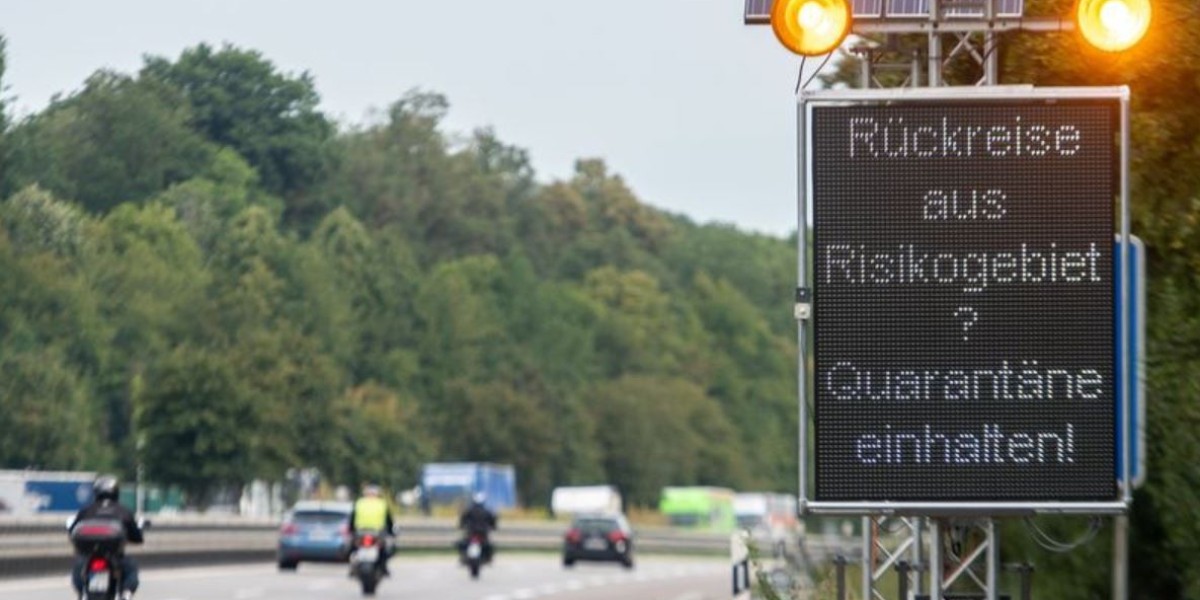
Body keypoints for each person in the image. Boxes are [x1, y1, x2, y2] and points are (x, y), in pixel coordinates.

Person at [68, 475, 144, 600]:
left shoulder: (86, 510)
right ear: (116, 493)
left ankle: (82, 593)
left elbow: (72, 531)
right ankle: (126, 593)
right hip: (114, 555)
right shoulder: (124, 511)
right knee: (131, 568)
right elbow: (137, 537)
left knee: (78, 566)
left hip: (89, 555)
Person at [348, 483, 396, 576]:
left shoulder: (359, 503)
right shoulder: (381, 504)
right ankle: (383, 567)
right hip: (377, 532)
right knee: (384, 550)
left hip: (361, 532)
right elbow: (389, 521)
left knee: (353, 549)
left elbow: (352, 520)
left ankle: (352, 567)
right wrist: (391, 531)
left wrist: (351, 530)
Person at [458, 492, 497, 561]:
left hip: (474, 532)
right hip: (478, 532)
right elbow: (493, 521)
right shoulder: (487, 511)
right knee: (463, 543)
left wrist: (461, 526)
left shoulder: (469, 511)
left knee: (488, 545)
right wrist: (493, 527)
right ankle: (465, 556)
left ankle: (464, 556)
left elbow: (463, 520)